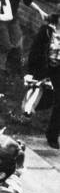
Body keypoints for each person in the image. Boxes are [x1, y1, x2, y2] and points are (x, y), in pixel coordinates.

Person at [26, 10, 60, 147]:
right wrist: (31, 72)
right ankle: (26, 116)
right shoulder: (46, 30)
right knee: (42, 98)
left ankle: (52, 135)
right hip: (45, 68)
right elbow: (35, 51)